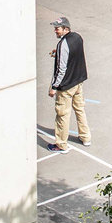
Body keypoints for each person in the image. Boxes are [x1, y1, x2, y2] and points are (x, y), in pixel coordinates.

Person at [47, 17, 90, 153]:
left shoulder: (62, 45)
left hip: (66, 86)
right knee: (80, 109)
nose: (55, 31)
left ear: (66, 29)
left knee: (62, 115)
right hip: (78, 81)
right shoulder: (77, 37)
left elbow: (61, 69)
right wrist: (58, 53)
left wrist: (54, 87)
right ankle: (85, 137)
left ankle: (61, 144)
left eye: (57, 28)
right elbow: (74, 55)